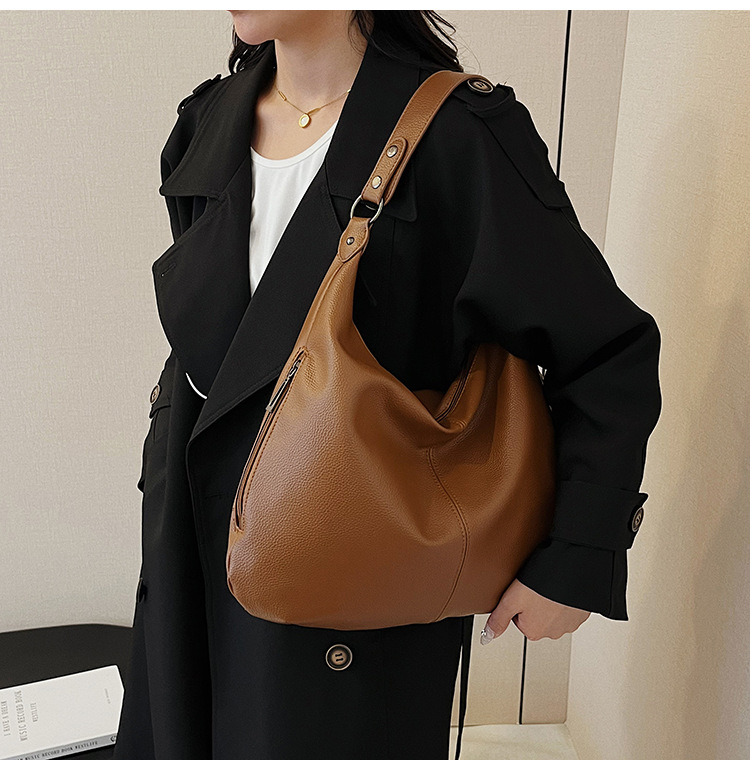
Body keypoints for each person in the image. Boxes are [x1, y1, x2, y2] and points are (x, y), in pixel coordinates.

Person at [113, 10, 662, 761]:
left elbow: (604, 347)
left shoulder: (458, 135)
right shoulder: (208, 119)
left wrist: (575, 555)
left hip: (355, 559)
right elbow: (222, 350)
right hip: (189, 541)